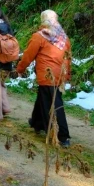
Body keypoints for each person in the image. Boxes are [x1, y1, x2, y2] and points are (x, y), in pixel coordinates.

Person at [16, 10, 72, 147]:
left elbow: (28, 55)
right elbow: (68, 58)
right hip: (59, 74)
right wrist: (67, 74)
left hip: (47, 75)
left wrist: (20, 69)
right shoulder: (63, 38)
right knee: (43, 97)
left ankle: (62, 136)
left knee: (54, 104)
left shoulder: (39, 36)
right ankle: (37, 122)